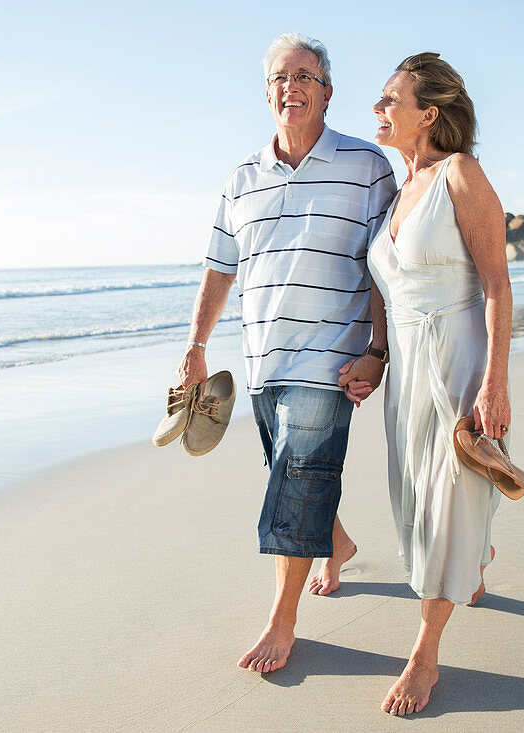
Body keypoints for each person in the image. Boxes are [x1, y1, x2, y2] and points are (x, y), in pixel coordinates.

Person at [177, 32, 396, 673]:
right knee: (295, 470)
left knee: (298, 477)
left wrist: (379, 350)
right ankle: (339, 543)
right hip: (262, 358)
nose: (290, 87)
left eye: (304, 76)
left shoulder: (365, 166)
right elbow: (220, 268)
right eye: (279, 77)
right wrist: (195, 345)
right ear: (266, 92)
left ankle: (282, 621)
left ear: (327, 92)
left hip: (333, 360)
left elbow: (384, 268)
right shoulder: (241, 178)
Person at [343, 52, 513, 715]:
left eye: (391, 99)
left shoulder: (460, 176)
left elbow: (497, 284)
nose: (379, 109)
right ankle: (472, 554)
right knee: (417, 499)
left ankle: (426, 652)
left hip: (458, 356)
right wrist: (376, 353)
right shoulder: (394, 192)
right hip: (407, 367)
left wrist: (495, 383)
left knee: (448, 496)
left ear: (428, 114)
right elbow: (384, 287)